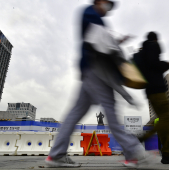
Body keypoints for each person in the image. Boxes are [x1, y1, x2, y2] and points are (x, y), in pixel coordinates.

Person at [45, 0, 147, 168]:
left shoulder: (89, 14)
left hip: (89, 71)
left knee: (75, 113)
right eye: (108, 4)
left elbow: (101, 42)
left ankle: (56, 155)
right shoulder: (91, 14)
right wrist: (117, 46)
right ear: (100, 1)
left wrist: (117, 41)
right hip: (98, 71)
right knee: (110, 111)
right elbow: (102, 45)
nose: (109, 9)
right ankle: (134, 152)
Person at [133, 32, 169, 164]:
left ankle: (168, 153)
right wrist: (166, 65)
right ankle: (144, 138)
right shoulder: (152, 47)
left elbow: (148, 66)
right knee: (166, 120)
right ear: (155, 39)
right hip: (157, 89)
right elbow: (154, 64)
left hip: (150, 91)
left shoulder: (142, 52)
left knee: (165, 121)